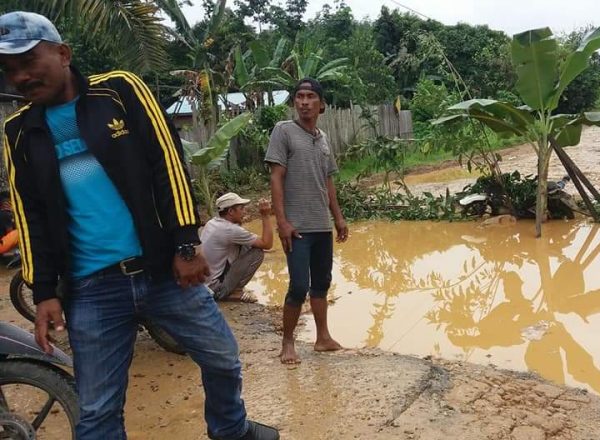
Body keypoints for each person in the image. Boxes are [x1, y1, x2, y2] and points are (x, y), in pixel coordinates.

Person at [0, 12, 278, 440]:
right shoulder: (18, 130)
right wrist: (43, 292)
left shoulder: (121, 90)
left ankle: (230, 429)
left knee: (222, 358)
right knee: (97, 410)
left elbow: (167, 163)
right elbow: (29, 213)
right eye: (10, 69)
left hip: (164, 270)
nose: (20, 76)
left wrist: (186, 245)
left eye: (28, 61)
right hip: (90, 288)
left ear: (62, 53)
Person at [265, 77, 348, 365]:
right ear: (294, 103)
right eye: (299, 96)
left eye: (310, 97)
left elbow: (328, 182)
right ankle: (287, 343)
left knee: (322, 283)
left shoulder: (323, 139)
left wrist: (338, 218)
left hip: (321, 225)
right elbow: (276, 177)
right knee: (298, 285)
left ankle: (323, 337)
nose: (304, 102)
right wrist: (282, 222)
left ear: (321, 105)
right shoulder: (283, 131)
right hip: (297, 227)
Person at [201, 192, 274, 303]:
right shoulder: (230, 230)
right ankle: (234, 291)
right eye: (241, 208)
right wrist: (265, 215)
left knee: (246, 245)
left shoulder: (212, 223)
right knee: (257, 253)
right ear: (230, 211)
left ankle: (228, 289)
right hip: (214, 289)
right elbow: (267, 244)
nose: (244, 212)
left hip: (203, 286)